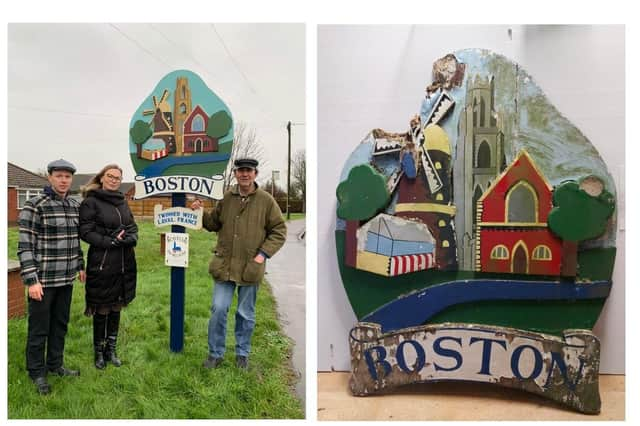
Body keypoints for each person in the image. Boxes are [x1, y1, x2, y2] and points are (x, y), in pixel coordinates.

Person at [191, 158, 287, 370]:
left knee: (245, 314)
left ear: (255, 173)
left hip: (250, 268)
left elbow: (279, 231)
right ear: (235, 173)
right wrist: (200, 211)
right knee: (218, 309)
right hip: (224, 265)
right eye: (240, 171)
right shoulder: (227, 198)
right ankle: (215, 354)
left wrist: (262, 255)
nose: (244, 174)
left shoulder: (266, 201)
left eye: (248, 171)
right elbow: (214, 223)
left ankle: (242, 354)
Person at [18, 159, 85, 395]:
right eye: (59, 176)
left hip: (65, 280)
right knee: (39, 329)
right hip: (43, 282)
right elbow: (25, 246)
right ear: (50, 177)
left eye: (67, 177)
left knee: (60, 326)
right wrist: (31, 280)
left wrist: (80, 265)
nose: (63, 180)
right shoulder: (34, 205)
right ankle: (37, 372)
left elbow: (75, 241)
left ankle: (55, 364)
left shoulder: (74, 206)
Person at [79, 164, 138, 370]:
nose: (114, 180)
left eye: (118, 177)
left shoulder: (122, 202)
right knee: (102, 307)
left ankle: (111, 349)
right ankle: (99, 351)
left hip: (124, 262)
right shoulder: (91, 202)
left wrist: (131, 237)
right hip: (103, 262)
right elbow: (85, 231)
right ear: (102, 178)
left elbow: (132, 226)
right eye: (110, 176)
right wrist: (109, 241)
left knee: (116, 306)